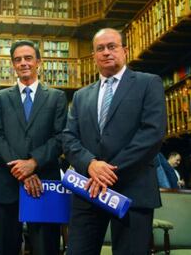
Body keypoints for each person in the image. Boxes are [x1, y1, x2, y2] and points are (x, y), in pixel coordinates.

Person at [62, 28, 167, 255]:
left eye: (112, 46)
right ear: (94, 56)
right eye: (100, 48)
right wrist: (91, 164)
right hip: (88, 192)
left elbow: (152, 134)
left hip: (132, 190)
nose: (106, 52)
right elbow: (69, 138)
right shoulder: (81, 96)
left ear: (125, 51)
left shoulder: (148, 83)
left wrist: (108, 172)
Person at [0, 40, 68, 255]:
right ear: (13, 64)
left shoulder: (57, 98)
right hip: (6, 184)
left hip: (44, 184)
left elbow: (60, 136)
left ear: (38, 62)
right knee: (6, 248)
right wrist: (21, 171)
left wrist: (33, 163)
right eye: (18, 59)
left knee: (45, 248)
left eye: (28, 58)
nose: (23, 63)